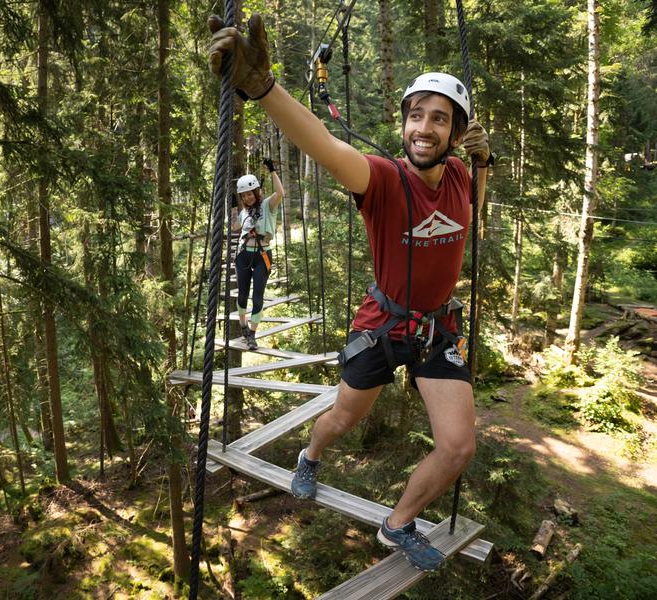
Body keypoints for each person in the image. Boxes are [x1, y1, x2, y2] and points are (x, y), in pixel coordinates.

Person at [208, 14, 492, 572]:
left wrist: (485, 162)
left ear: (456, 135)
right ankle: (310, 455)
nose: (424, 128)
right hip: (384, 327)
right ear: (404, 124)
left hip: (437, 329)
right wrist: (263, 89)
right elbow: (323, 144)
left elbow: (472, 209)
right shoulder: (382, 179)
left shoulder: (462, 175)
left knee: (459, 446)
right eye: (416, 115)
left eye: (439, 119)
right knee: (341, 419)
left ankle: (397, 524)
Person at [230, 159, 284, 350]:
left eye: (249, 194)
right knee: (242, 295)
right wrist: (233, 208)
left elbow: (280, 193)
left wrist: (273, 171)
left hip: (262, 256)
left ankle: (252, 335)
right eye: (243, 195)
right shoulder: (244, 212)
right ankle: (243, 325)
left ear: (256, 192)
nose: (247, 198)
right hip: (244, 254)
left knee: (258, 296)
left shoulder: (268, 205)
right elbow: (234, 227)